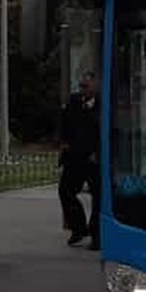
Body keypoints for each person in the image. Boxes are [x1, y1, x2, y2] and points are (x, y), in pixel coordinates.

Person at [59, 71, 100, 250]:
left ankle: (97, 235)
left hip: (94, 158)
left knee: (99, 196)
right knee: (65, 191)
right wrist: (64, 142)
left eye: (86, 86)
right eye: (81, 86)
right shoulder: (74, 102)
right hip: (75, 156)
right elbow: (63, 123)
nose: (83, 90)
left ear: (95, 86)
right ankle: (79, 228)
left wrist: (97, 152)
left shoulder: (103, 105)